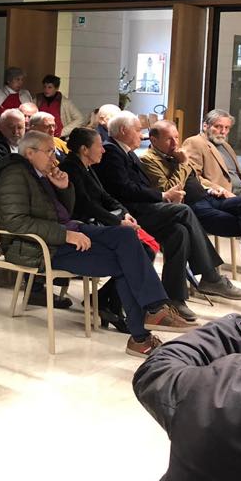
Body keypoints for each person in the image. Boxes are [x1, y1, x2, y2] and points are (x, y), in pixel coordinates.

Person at [0, 131, 188, 357]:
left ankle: (155, 309)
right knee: (124, 262)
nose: (54, 157)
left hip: (65, 231)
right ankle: (141, 336)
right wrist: (65, 235)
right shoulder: (15, 175)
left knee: (126, 236)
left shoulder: (39, 172)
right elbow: (15, 222)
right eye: (49, 151)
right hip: (40, 247)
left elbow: (63, 212)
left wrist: (64, 188)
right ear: (30, 153)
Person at [94, 111, 241, 310]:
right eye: (138, 130)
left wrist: (183, 177)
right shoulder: (113, 151)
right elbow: (125, 189)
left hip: (149, 207)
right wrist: (164, 195)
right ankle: (210, 276)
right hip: (130, 213)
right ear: (123, 130)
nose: (141, 135)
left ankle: (174, 298)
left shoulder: (128, 152)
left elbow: (145, 186)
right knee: (184, 211)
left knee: (179, 232)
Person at [133, 313, 241, 481]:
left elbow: (156, 371)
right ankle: (152, 311)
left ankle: (149, 317)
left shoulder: (226, 393)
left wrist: (240, 328)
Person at [62, 128, 160, 332]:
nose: (103, 150)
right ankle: (114, 304)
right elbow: (86, 205)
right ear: (84, 149)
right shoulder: (70, 168)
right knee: (139, 250)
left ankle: (106, 301)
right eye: (99, 146)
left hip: (97, 221)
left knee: (145, 248)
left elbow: (105, 196)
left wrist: (124, 214)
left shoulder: (87, 167)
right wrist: (117, 223)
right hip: (82, 225)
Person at [142, 119, 241, 296]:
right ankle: (213, 278)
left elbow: (196, 178)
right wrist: (182, 164)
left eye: (176, 137)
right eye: (169, 139)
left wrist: (213, 188)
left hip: (209, 197)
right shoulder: (148, 160)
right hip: (192, 207)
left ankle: (222, 279)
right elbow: (168, 190)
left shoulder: (176, 154)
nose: (175, 143)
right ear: (154, 140)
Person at [182, 109, 241, 197]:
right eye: (218, 127)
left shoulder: (226, 146)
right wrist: (218, 189)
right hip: (222, 193)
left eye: (227, 128)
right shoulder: (195, 142)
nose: (223, 132)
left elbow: (238, 175)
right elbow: (192, 176)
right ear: (205, 126)